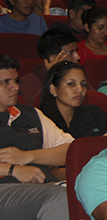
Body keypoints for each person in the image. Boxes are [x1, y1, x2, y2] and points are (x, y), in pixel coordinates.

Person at [0, 54, 72, 220]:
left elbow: (70, 150)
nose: (15, 88)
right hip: (5, 188)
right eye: (5, 82)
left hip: (44, 186)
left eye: (16, 80)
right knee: (61, 196)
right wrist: (14, 169)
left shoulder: (31, 114)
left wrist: (27, 156)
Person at [39, 61, 106, 138]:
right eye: (71, 84)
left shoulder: (94, 112)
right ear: (53, 89)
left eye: (83, 84)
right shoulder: (42, 121)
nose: (80, 89)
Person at [20, 28, 81, 106]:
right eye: (70, 54)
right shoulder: (29, 81)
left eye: (76, 51)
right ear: (53, 59)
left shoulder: (78, 76)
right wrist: (52, 75)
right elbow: (35, 106)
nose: (78, 57)